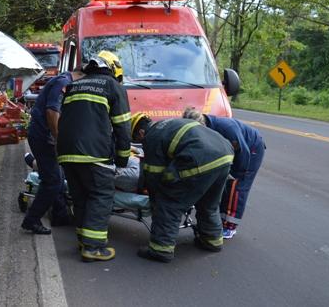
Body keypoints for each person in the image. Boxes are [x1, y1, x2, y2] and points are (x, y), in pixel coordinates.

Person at [57, 51, 131, 262]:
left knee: (80, 197)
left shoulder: (75, 85)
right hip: (94, 153)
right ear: (114, 68)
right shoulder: (113, 87)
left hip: (67, 153)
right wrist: (123, 159)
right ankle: (93, 247)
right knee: (101, 196)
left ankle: (83, 239)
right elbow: (123, 127)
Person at [130, 112, 234, 263]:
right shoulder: (169, 124)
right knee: (208, 203)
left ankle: (161, 249)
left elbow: (153, 174)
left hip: (201, 158)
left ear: (140, 132)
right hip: (225, 154)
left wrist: (155, 198)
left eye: (137, 139)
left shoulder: (151, 136)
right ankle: (212, 241)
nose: (140, 142)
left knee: (169, 203)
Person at [182, 107, 266, 239]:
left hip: (251, 149)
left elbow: (243, 153)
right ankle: (219, 222)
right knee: (222, 187)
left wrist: (235, 175)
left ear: (202, 125)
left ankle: (229, 227)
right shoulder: (206, 128)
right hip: (232, 151)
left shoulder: (226, 128)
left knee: (235, 187)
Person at [20, 68, 84, 235]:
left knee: (58, 177)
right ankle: (31, 220)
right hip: (43, 137)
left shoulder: (64, 81)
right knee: (53, 181)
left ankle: (59, 215)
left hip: (43, 136)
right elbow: (52, 111)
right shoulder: (64, 83)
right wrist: (58, 139)